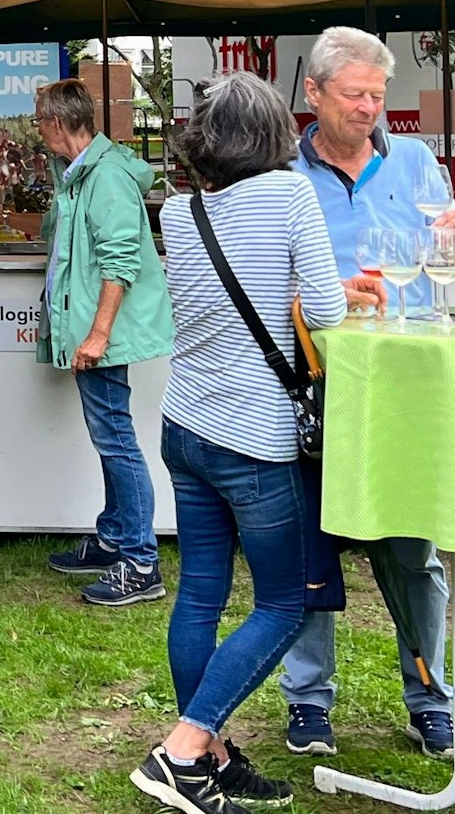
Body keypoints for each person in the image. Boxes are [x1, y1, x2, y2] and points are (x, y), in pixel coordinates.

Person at [129, 72, 382, 813]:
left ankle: (208, 751)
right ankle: (182, 749)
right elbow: (329, 312)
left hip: (186, 421)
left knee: (201, 592)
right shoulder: (292, 194)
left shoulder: (181, 210)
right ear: (274, 132)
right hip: (255, 435)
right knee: (283, 603)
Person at [279, 26, 455, 762]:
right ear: (314, 92)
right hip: (318, 389)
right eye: (354, 94)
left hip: (408, 390)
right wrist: (323, 294)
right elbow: (267, 285)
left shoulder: (418, 163)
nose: (369, 109)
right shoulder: (284, 176)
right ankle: (308, 702)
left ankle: (431, 696)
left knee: (412, 551)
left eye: (378, 95)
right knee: (310, 547)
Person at [32, 79, 175, 608]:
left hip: (102, 334)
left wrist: (97, 334)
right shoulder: (81, 173)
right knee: (111, 435)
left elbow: (121, 260)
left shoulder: (106, 176)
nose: (37, 131)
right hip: (94, 330)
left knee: (116, 439)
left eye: (39, 121)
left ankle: (140, 561)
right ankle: (116, 536)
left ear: (59, 121)